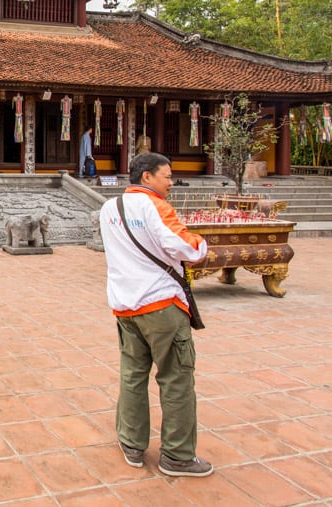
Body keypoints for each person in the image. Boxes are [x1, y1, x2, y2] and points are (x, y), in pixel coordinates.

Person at [98, 152, 212, 477]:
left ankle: (131, 443)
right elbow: (186, 247)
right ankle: (177, 455)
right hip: (161, 305)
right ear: (146, 177)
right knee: (176, 378)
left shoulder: (109, 208)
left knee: (133, 374)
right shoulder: (156, 206)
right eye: (167, 176)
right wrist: (201, 244)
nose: (171, 182)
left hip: (125, 306)